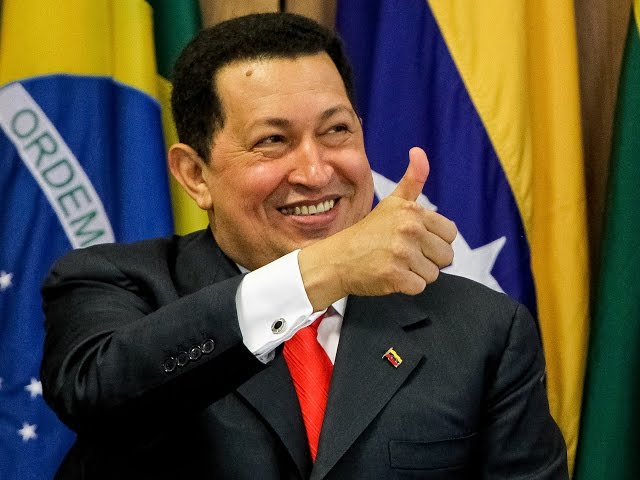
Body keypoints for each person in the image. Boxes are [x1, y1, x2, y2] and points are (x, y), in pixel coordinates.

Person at [41, 12, 568, 480]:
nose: (316, 173)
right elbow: (99, 394)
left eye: (336, 131)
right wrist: (324, 271)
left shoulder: (484, 328)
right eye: (273, 140)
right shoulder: (116, 284)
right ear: (195, 174)